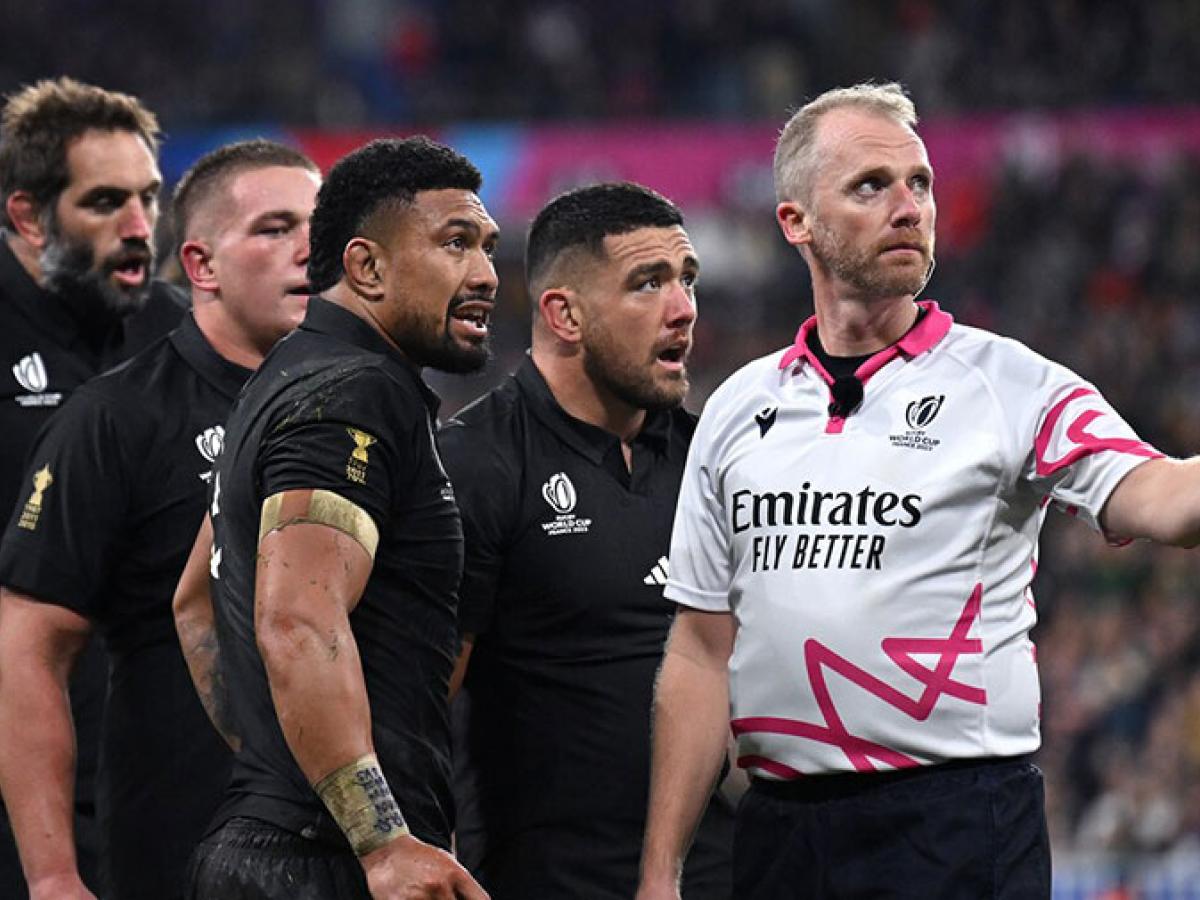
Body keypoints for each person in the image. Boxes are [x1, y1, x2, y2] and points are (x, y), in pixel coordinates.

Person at [635, 82, 1200, 900]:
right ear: (795, 222)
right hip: (781, 832)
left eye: (921, 183)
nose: (909, 206)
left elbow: (1167, 499)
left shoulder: (1011, 384)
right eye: (871, 186)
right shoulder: (734, 408)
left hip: (957, 826)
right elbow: (698, 651)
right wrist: (662, 871)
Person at [173, 136, 494, 900]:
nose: (484, 275)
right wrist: (378, 837)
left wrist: (280, 767)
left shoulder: (278, 382)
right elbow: (297, 622)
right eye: (455, 244)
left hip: (280, 842)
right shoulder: (353, 394)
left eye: (487, 247)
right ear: (366, 266)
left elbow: (194, 604)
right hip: (327, 862)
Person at [0, 138, 320, 900]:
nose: (312, 249)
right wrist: (50, 875)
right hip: (179, 852)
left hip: (357, 855)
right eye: (275, 229)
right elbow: (29, 647)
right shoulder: (116, 418)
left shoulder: (381, 410)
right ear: (202, 266)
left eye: (323, 224)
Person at [440, 182, 733, 899]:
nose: (683, 309)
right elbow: (421, 707)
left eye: (686, 279)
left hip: (722, 877)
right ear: (563, 314)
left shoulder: (719, 463)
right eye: (648, 283)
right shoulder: (474, 465)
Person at [0, 76, 184, 895]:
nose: (140, 228)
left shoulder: (174, 330)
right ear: (29, 217)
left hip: (148, 768)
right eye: (106, 203)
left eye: (149, 196)